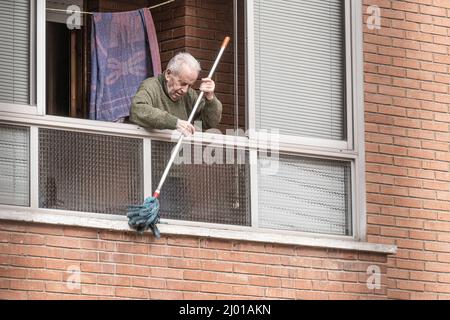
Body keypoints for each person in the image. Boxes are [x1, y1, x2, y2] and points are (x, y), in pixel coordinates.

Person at [129, 52, 222, 136]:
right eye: (182, 83)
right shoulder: (151, 86)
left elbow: (209, 123)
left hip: (177, 152)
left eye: (190, 85)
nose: (185, 90)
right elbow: (137, 110)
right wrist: (175, 123)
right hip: (148, 152)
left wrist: (210, 97)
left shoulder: (190, 95)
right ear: (168, 74)